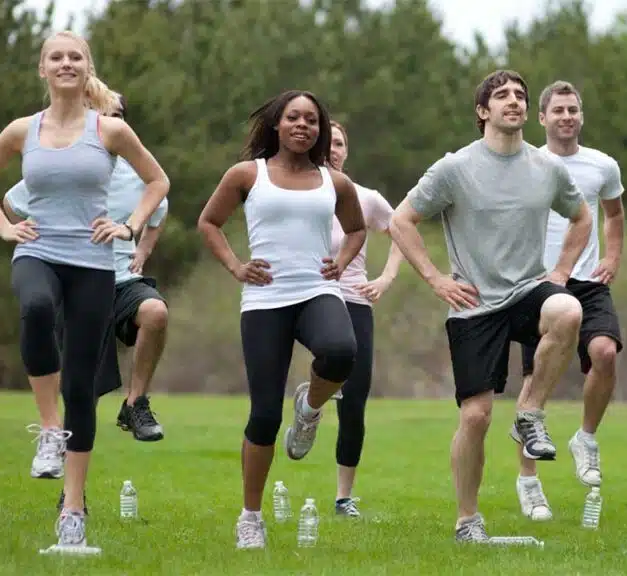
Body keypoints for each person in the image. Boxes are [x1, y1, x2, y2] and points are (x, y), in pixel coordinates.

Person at [0, 30, 169, 554]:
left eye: (75, 56)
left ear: (87, 68)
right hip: (38, 251)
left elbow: (158, 182)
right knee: (34, 306)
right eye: (56, 57)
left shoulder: (110, 131)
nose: (65, 63)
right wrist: (4, 227)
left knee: (82, 386)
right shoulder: (21, 130)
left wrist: (128, 225)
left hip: (94, 263)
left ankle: (73, 513)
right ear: (43, 69)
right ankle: (49, 430)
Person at [389, 69, 590, 543]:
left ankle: (529, 415)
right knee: (475, 416)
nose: (514, 102)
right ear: (483, 111)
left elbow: (581, 216)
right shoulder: (455, 168)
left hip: (526, 290)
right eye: (502, 96)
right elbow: (401, 220)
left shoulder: (547, 168)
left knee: (568, 311)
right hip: (474, 302)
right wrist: (437, 278)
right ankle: (467, 521)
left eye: (520, 95)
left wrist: (559, 272)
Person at [196, 90, 366, 550]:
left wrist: (342, 263)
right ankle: (251, 516)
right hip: (265, 299)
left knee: (341, 350)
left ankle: (309, 409)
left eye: (312, 120)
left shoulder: (335, 182)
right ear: (277, 124)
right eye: (293, 117)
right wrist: (236, 267)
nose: (302, 126)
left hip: (317, 289)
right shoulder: (247, 175)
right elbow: (209, 223)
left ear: (320, 129)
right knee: (265, 415)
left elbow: (356, 229)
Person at [3, 93, 170, 448]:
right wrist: (31, 231)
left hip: (122, 279)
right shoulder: (65, 164)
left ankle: (135, 403)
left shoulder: (135, 171)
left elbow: (159, 209)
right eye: (105, 114)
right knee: (83, 392)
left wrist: (141, 248)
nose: (113, 121)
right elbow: (11, 200)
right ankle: (71, 489)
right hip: (79, 279)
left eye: (119, 115)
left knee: (155, 312)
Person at [511, 80, 625, 522]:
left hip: (587, 281)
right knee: (535, 382)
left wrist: (613, 254)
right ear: (541, 118)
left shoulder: (603, 165)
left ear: (581, 115)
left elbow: (614, 213)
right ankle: (530, 483)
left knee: (605, 353)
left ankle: (586, 438)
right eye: (557, 110)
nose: (566, 117)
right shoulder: (525, 163)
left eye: (573, 109)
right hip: (537, 287)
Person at [318, 120, 405, 518]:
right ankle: (311, 403)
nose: (332, 149)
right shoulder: (296, 194)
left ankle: (343, 497)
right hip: (307, 299)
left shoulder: (366, 198)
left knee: (354, 403)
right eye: (326, 141)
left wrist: (385, 279)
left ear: (346, 151)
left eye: (338, 143)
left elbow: (403, 231)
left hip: (354, 299)